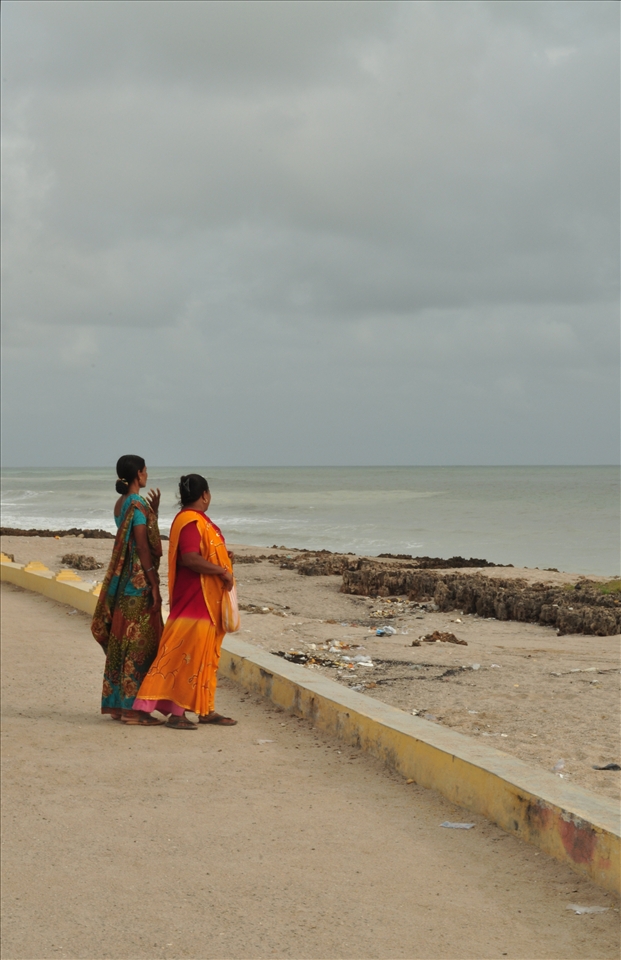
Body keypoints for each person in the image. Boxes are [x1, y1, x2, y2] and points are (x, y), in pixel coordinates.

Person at [133, 473, 237, 730]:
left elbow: (197, 554)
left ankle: (205, 709)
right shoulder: (191, 521)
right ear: (205, 495)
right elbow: (190, 558)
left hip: (204, 600)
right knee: (182, 655)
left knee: (203, 656)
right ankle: (176, 712)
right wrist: (221, 571)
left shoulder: (193, 520)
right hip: (195, 600)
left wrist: (222, 557)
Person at [91, 455, 164, 725]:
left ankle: (117, 706)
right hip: (138, 584)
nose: (147, 476)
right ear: (138, 474)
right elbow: (144, 546)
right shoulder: (136, 503)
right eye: (145, 472)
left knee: (122, 644)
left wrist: (153, 511)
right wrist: (154, 582)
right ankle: (134, 710)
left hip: (122, 587)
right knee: (141, 645)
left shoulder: (121, 503)